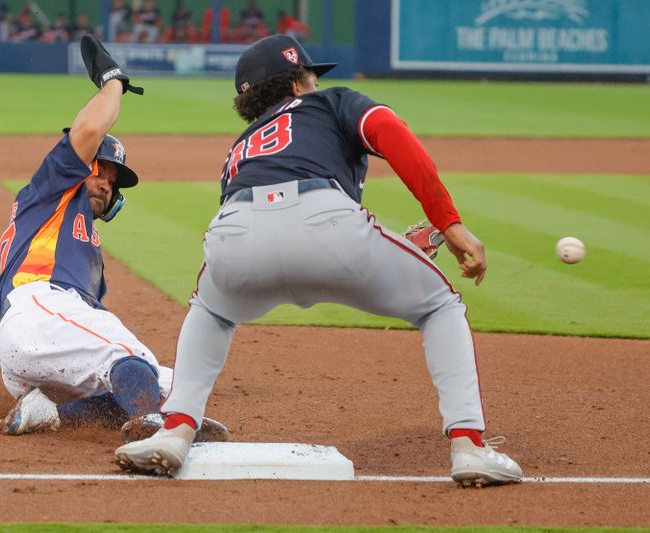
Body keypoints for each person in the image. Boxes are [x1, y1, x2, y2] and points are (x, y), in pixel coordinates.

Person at [115, 34, 522, 488]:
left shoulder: (242, 147)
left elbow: (272, 225)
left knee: (209, 309)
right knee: (439, 304)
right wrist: (447, 224)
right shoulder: (332, 103)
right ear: (296, 83)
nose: (317, 81)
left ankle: (175, 432)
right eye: (311, 74)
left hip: (235, 234)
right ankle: (469, 447)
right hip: (331, 229)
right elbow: (391, 135)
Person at [0, 35, 227, 443]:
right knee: (129, 358)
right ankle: (155, 431)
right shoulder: (52, 189)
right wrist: (113, 81)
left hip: (41, 337)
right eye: (99, 170)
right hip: (38, 309)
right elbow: (89, 127)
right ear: (79, 167)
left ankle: (49, 413)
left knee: (169, 385)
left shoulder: (85, 248)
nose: (104, 184)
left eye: (112, 181)